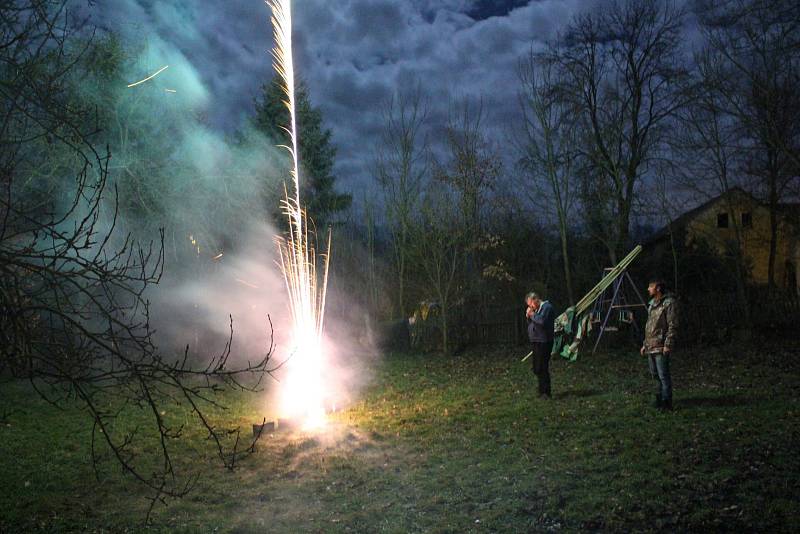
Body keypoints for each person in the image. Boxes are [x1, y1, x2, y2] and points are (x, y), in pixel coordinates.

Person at [640, 279, 678, 411]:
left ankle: (667, 403)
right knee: (655, 375)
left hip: (661, 345)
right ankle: (659, 399)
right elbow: (649, 325)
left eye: (651, 287)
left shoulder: (669, 303)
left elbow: (672, 325)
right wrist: (645, 344)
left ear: (658, 288)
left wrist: (668, 344)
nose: (648, 289)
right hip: (651, 345)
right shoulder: (652, 304)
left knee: (663, 375)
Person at [525, 292, 555, 399]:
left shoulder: (547, 307)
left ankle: (546, 392)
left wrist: (532, 314)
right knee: (537, 367)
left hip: (544, 341)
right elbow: (533, 323)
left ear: (536, 299)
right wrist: (529, 316)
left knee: (543, 366)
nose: (531, 307)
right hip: (536, 341)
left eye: (531, 304)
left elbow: (541, 321)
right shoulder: (536, 310)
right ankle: (541, 390)